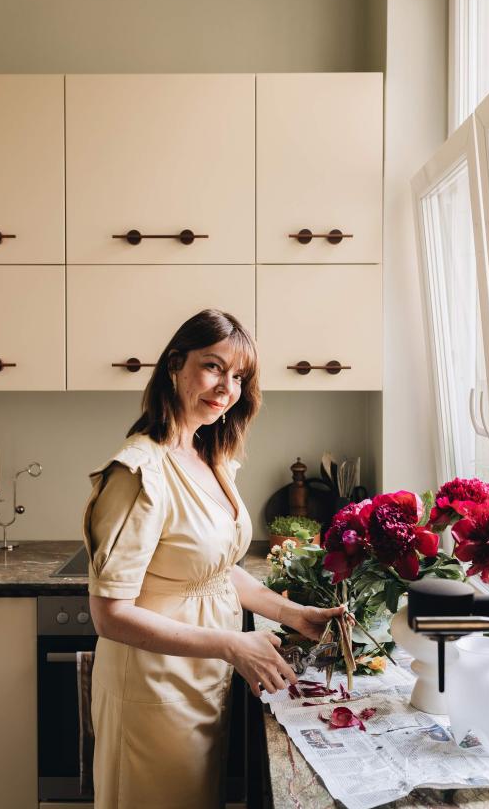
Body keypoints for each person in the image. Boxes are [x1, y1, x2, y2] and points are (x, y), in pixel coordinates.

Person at [83, 308, 346, 809]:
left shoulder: (212, 459)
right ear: (175, 366)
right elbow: (109, 615)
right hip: (151, 689)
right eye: (213, 367)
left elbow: (217, 572)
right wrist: (232, 644)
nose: (226, 387)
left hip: (201, 681)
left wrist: (295, 615)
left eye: (239, 377)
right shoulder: (139, 472)